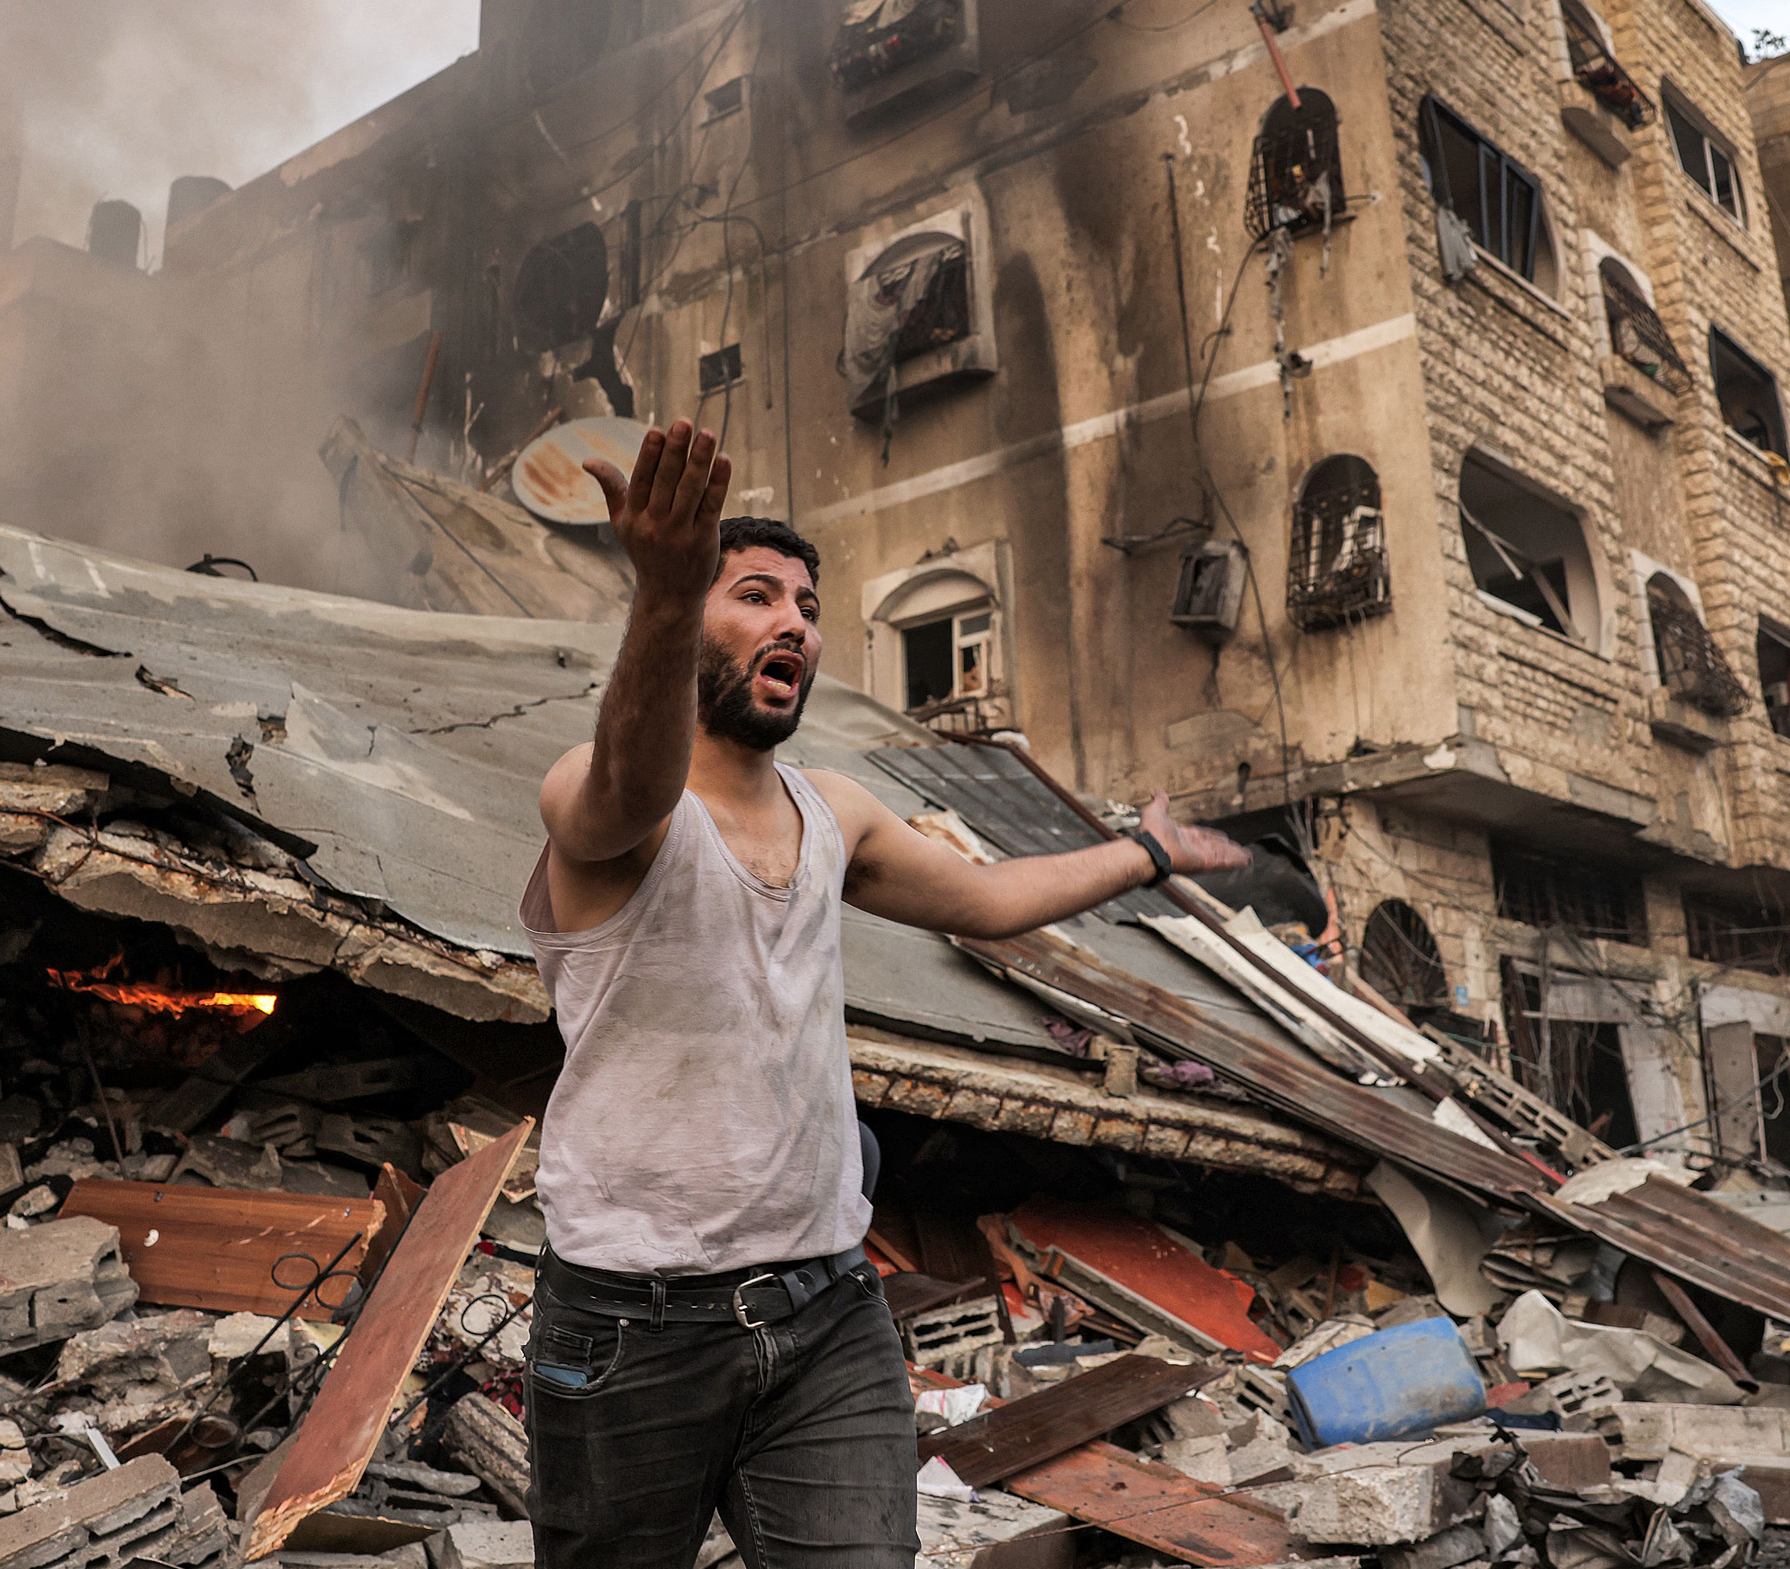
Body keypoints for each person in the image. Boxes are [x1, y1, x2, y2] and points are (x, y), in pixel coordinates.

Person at [519, 418, 1249, 1569]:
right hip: (630, 1325)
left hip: (825, 1311)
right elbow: (626, 784)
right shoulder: (596, 791)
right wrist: (660, 587)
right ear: (687, 612)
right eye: (755, 594)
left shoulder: (836, 808)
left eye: (807, 607)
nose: (794, 624)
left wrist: (1145, 853)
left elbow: (990, 897)